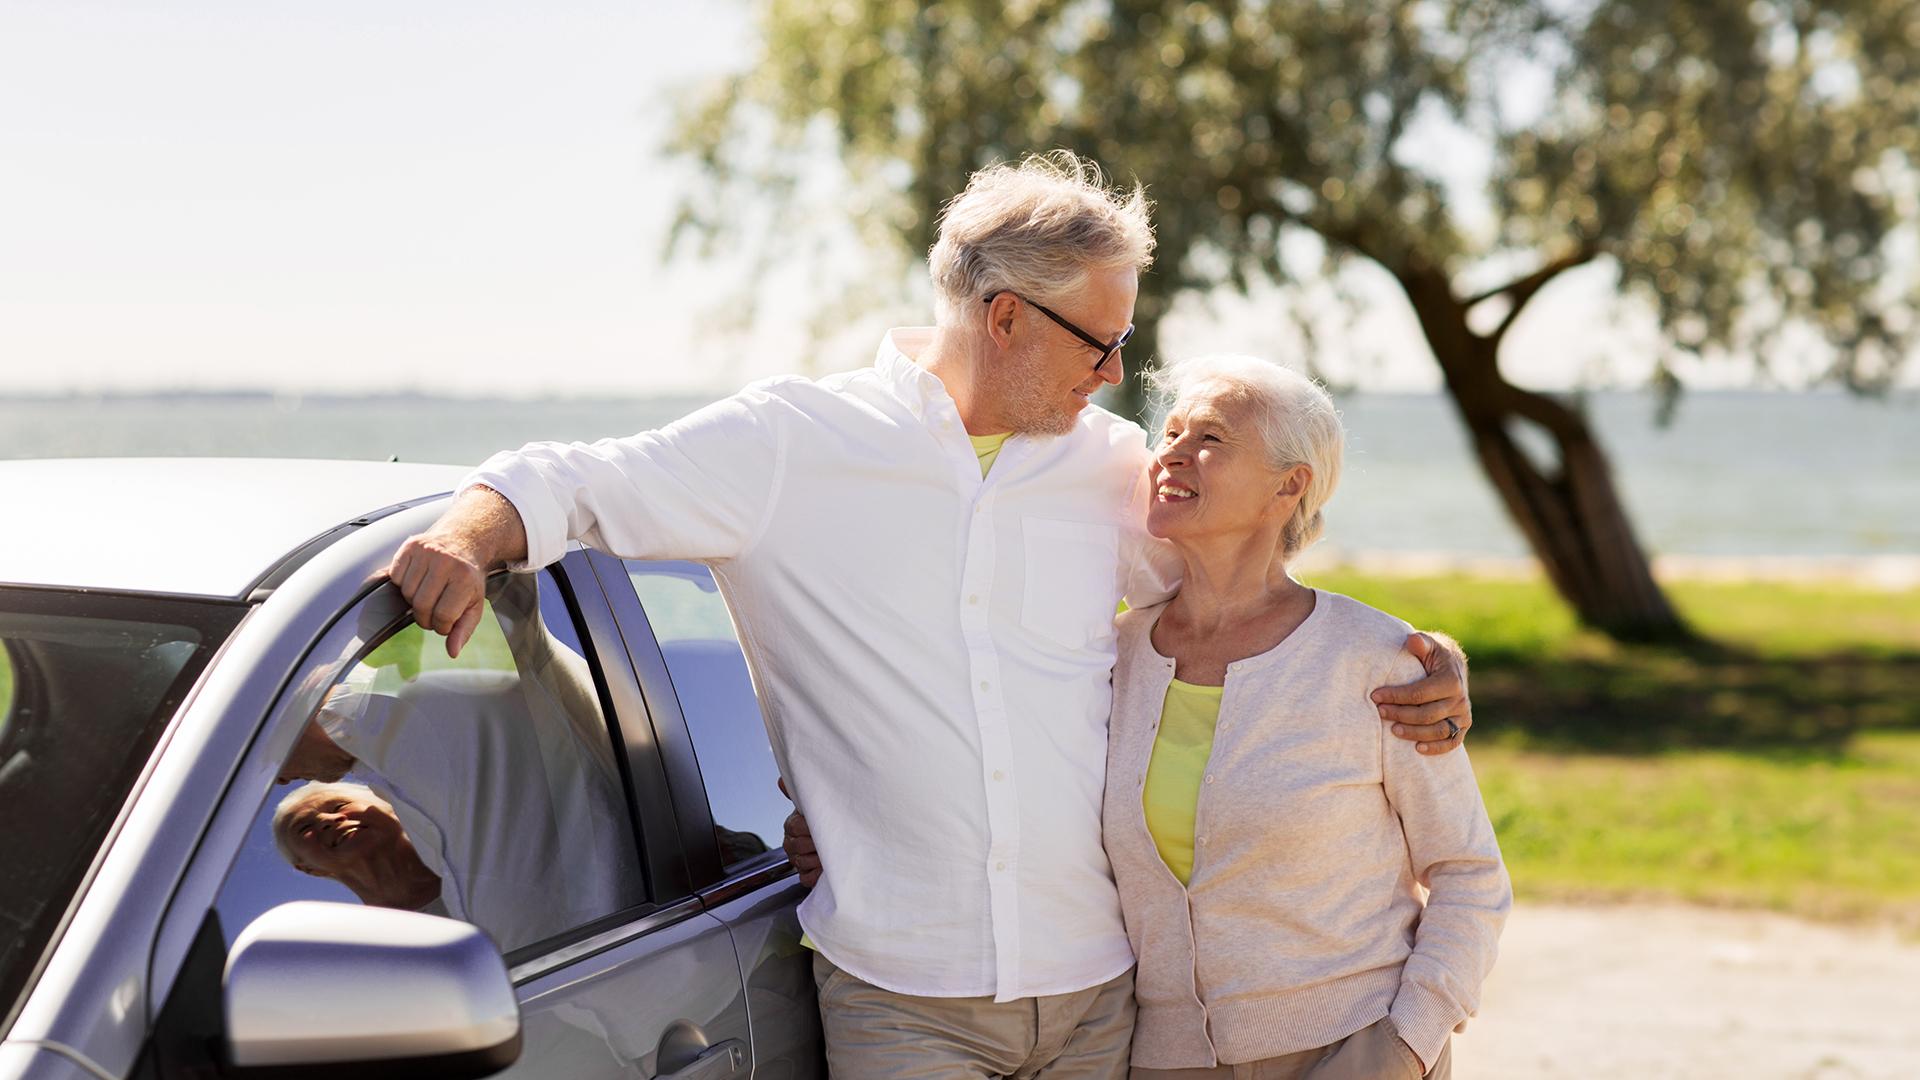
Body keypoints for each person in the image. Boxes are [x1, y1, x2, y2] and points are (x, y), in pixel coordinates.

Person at [387, 151, 1475, 1077]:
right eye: (1099, 342)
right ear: (1006, 317)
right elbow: (575, 482)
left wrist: (1420, 659)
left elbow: (1237, 601)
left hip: (1098, 992)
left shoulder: (1110, 471)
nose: (1114, 373)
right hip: (900, 994)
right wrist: (465, 535)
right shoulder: (791, 447)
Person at [1108, 355, 1509, 1079]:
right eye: (1168, 432)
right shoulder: (1115, 658)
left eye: (1211, 438)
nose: (1171, 451)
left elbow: (1469, 872)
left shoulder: (1378, 661)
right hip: (1162, 1061)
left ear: (1288, 487)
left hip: (1354, 1047)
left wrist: (1406, 1044)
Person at [273, 575, 642, 953]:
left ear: (272, 707)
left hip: (635, 943)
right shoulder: (389, 785)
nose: (283, 780)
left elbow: (494, 589)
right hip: (563, 988)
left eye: (264, 765)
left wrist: (466, 540)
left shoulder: (426, 668)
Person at [272, 781, 445, 915]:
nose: (327, 820)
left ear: (391, 807)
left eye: (340, 806)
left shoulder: (468, 859)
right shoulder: (363, 946)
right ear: (308, 868)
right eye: (304, 828)